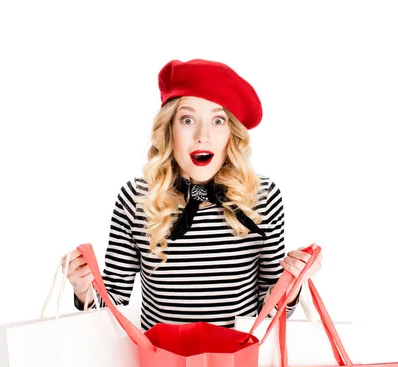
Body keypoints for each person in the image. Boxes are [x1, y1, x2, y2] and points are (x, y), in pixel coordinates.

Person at [63, 59, 322, 331]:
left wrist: (292, 285)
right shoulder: (136, 199)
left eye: (218, 120)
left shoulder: (262, 197)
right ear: (169, 130)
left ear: (231, 134)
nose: (203, 136)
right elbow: (115, 307)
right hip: (162, 366)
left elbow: (266, 315)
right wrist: (84, 289)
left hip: (237, 365)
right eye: (188, 120)